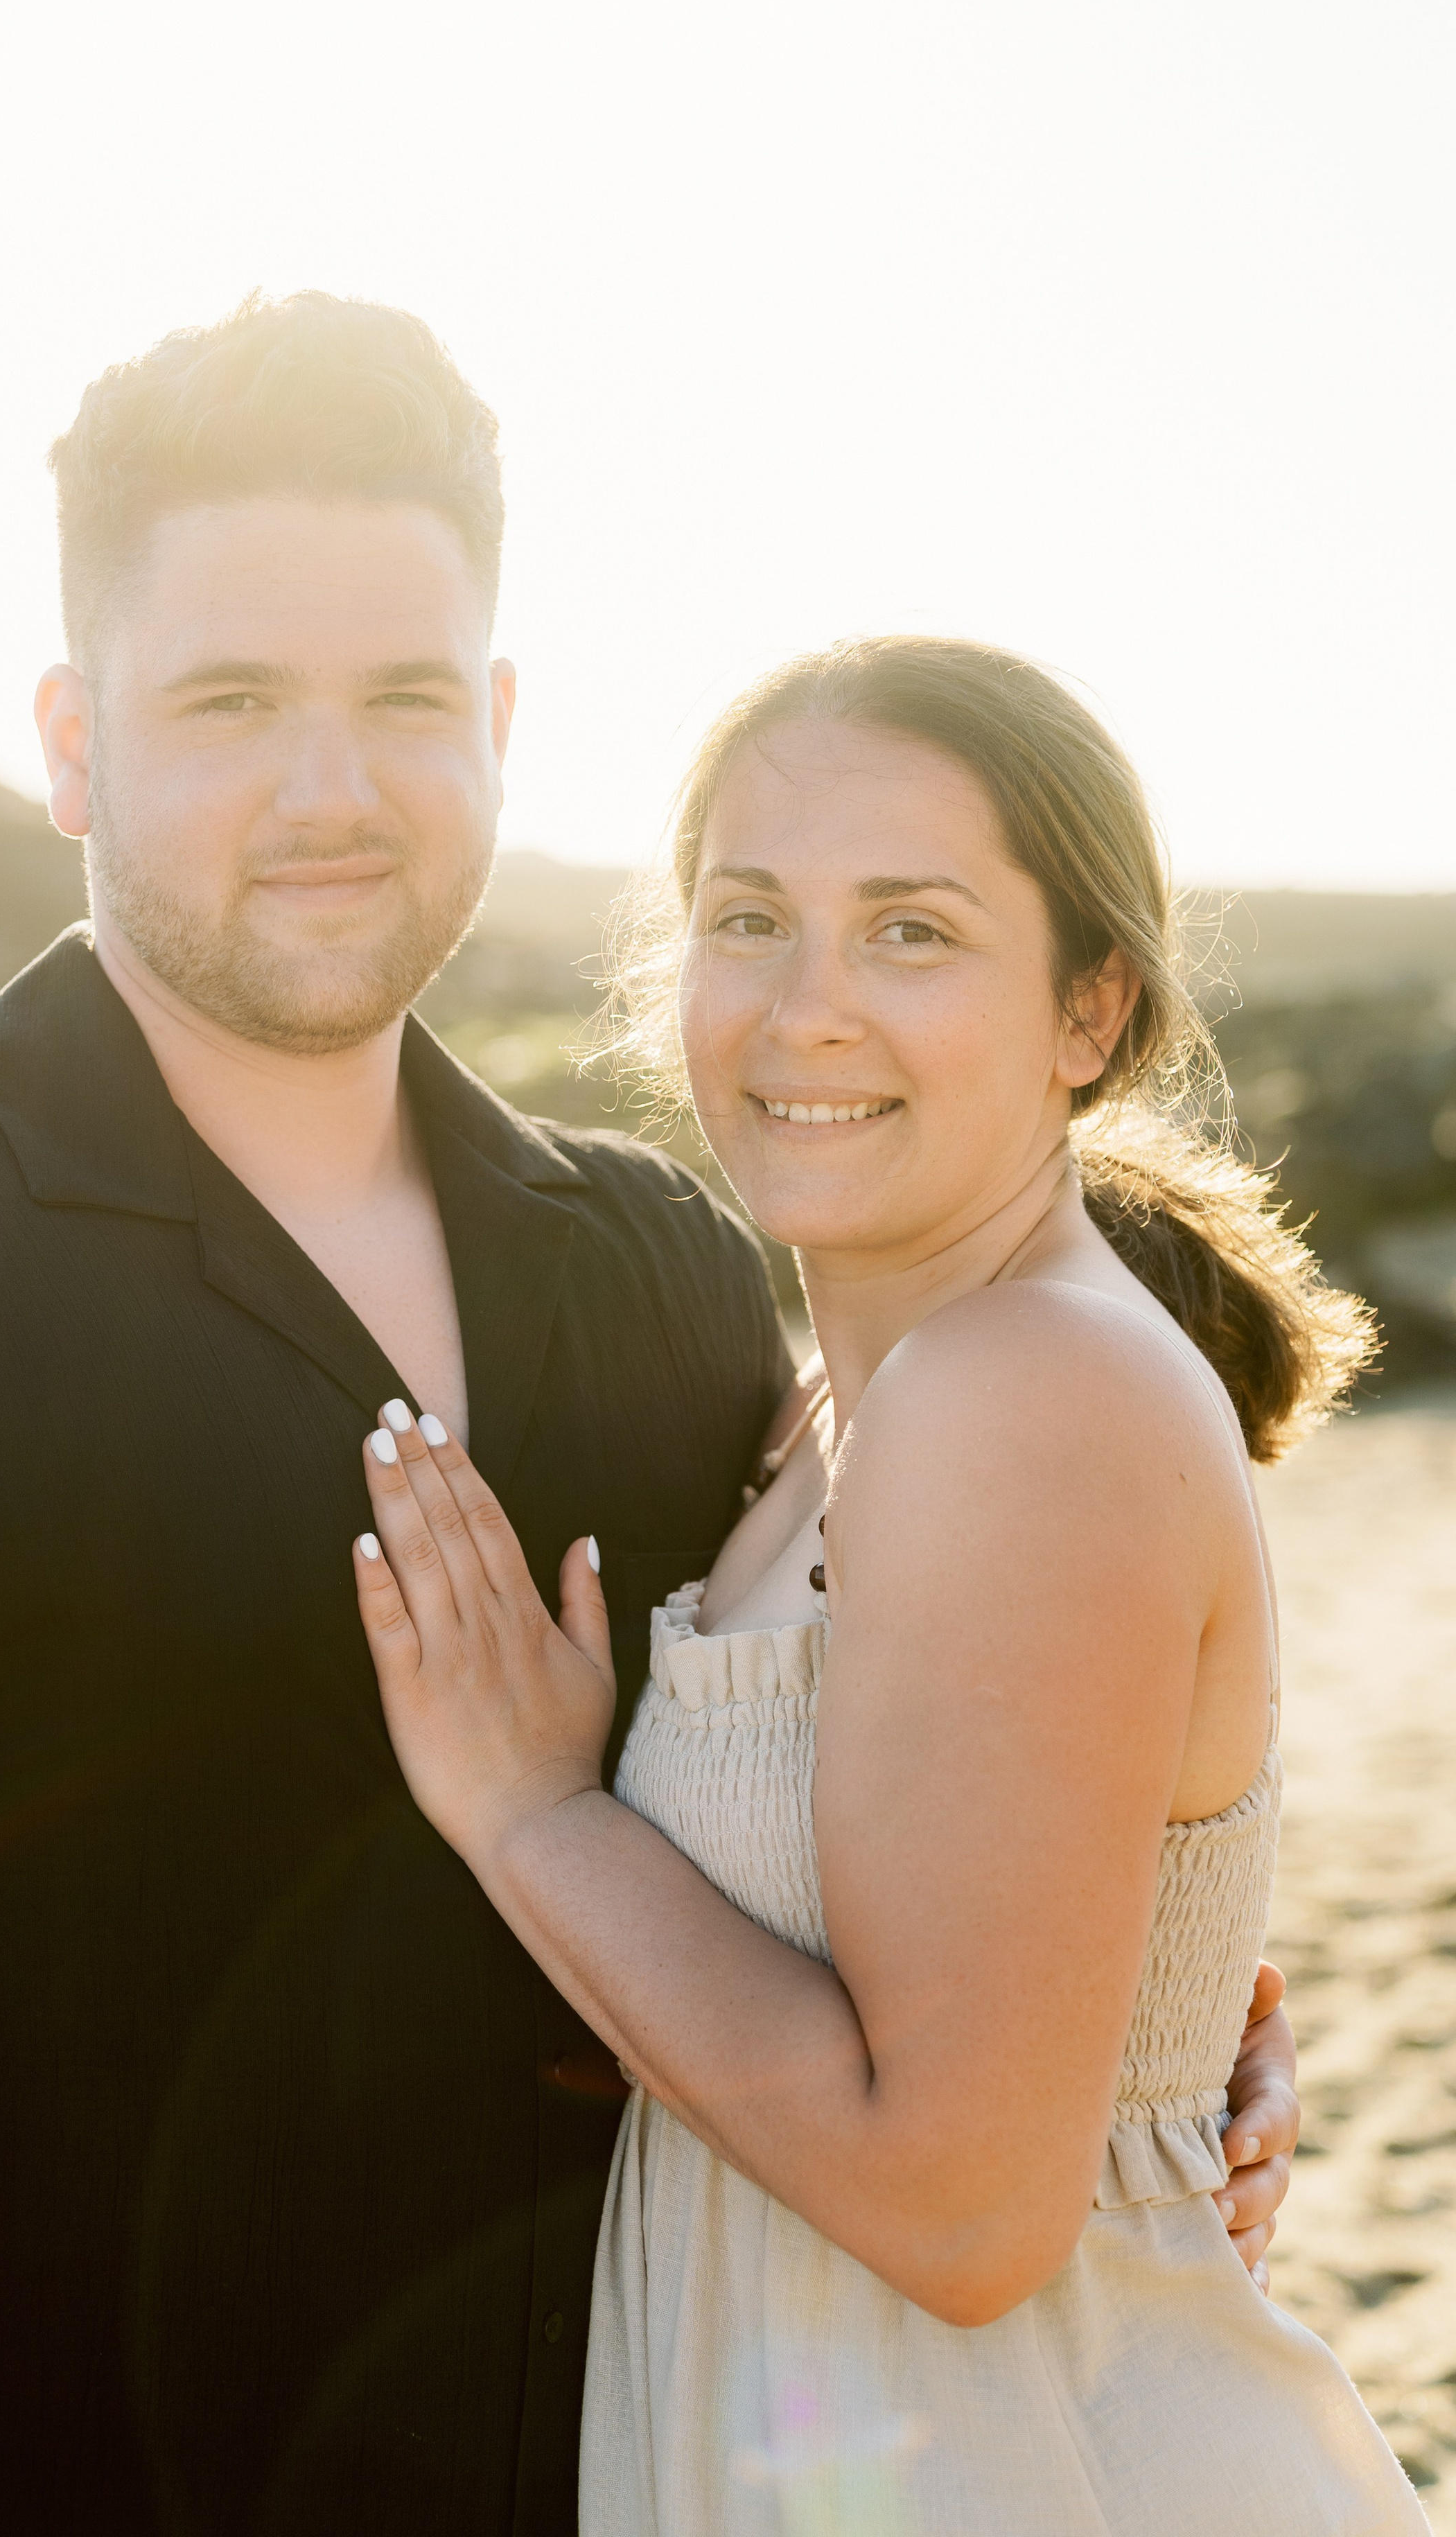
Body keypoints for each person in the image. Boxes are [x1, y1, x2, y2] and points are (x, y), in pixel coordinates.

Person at [0, 301, 1293, 2536]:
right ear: (72, 745)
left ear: (504, 729)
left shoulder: (660, 1285)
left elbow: (924, 1804)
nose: (329, 789)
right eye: (232, 702)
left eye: (406, 700)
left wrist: (1173, 2001)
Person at [349, 638, 1424, 2533]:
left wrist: (533, 1818)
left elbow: (961, 2206)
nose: (805, 1009)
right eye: (750, 919)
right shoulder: (836, 1408)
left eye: (911, 933)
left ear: (1090, 1010)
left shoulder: (1024, 1391)